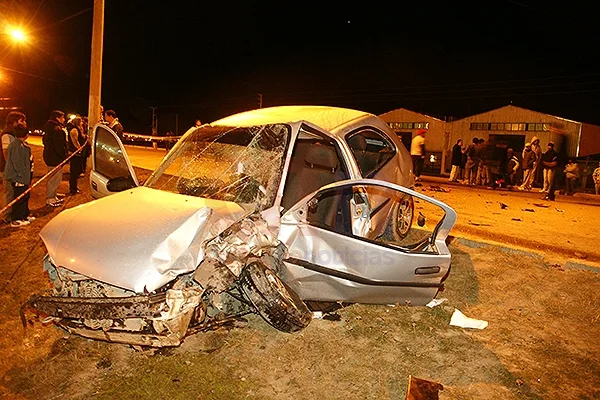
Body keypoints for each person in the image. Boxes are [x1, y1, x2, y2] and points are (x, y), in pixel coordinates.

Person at [4, 125, 35, 227]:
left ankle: (24, 214)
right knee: (19, 198)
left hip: (23, 178)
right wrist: (22, 176)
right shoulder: (17, 146)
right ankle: (16, 219)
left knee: (25, 196)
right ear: (26, 135)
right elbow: (18, 163)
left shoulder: (21, 145)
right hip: (19, 178)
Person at [0, 111, 27, 223]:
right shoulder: (7, 135)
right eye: (22, 121)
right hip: (7, 170)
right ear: (15, 122)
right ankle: (6, 216)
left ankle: (13, 213)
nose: (25, 123)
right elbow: (6, 153)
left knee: (14, 192)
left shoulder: (14, 133)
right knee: (9, 192)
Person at [42, 110, 68, 207]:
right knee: (54, 178)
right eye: (62, 117)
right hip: (55, 158)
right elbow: (59, 146)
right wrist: (64, 156)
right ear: (57, 118)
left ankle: (53, 194)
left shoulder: (49, 128)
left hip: (50, 155)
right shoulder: (57, 129)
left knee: (55, 177)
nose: (63, 119)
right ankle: (50, 198)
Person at [66, 116, 86, 195]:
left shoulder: (78, 129)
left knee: (76, 171)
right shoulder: (74, 130)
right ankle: (72, 189)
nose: (82, 123)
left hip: (78, 153)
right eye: (81, 121)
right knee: (73, 172)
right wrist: (79, 148)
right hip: (75, 153)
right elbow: (75, 141)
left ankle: (75, 187)